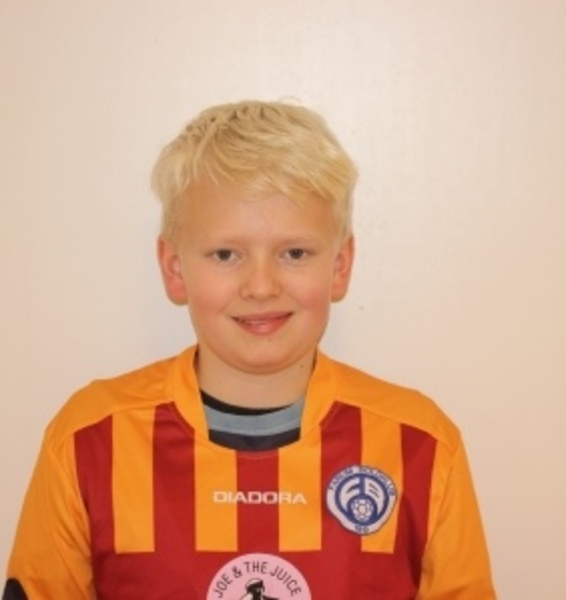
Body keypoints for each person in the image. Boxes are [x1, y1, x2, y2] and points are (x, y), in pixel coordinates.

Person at [3, 100, 496, 599]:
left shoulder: (421, 445)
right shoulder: (89, 441)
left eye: (294, 253)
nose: (261, 286)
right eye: (225, 254)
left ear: (340, 266)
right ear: (174, 269)